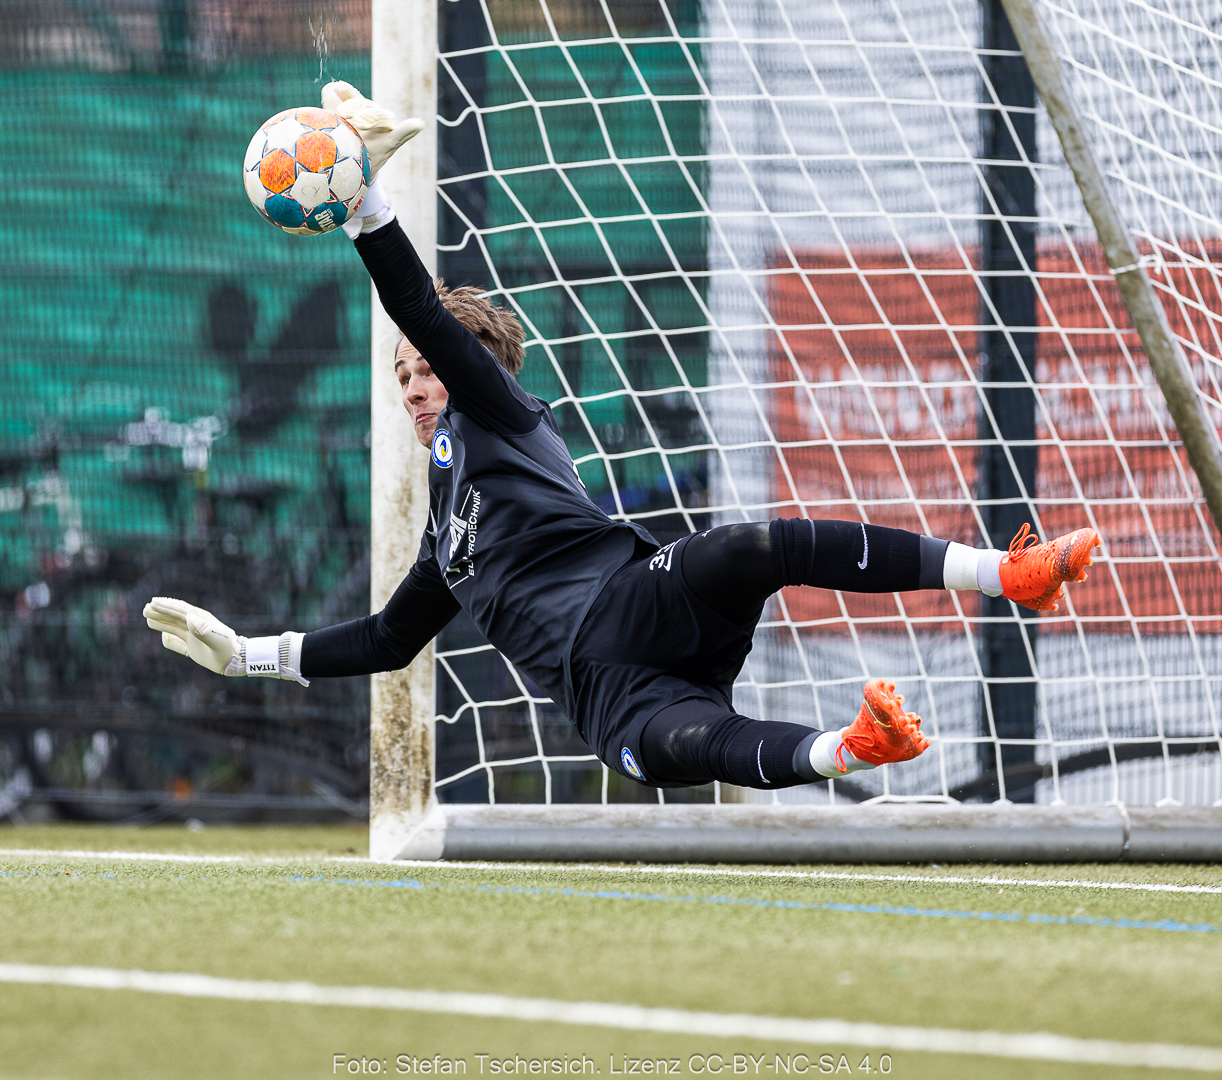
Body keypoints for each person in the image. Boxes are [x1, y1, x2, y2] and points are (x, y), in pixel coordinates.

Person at [144, 83, 1100, 792]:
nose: (413, 385)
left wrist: (365, 207)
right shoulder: (448, 538)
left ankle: (1005, 574)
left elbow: (423, 312)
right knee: (689, 745)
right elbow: (389, 640)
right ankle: (853, 748)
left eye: (427, 368)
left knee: (749, 545)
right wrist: (246, 655)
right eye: (402, 375)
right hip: (602, 696)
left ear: (478, 372)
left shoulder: (502, 418)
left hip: (634, 602)